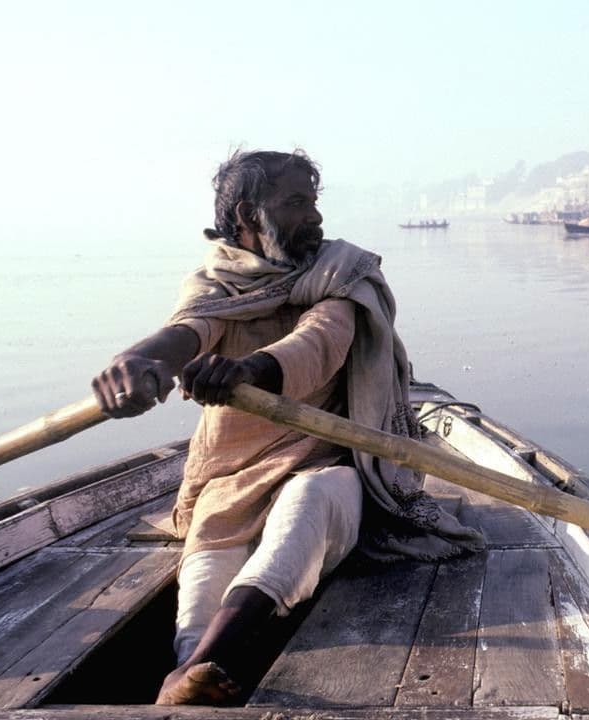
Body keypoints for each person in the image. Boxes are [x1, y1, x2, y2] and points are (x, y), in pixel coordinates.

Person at [91, 149, 483, 705]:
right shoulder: (214, 282)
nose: (316, 218)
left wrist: (248, 370)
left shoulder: (340, 275)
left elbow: (318, 344)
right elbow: (188, 331)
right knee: (202, 580)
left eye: (314, 202)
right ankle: (190, 673)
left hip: (326, 464)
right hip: (230, 478)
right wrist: (139, 360)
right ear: (251, 217)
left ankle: (203, 664)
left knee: (312, 499)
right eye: (297, 203)